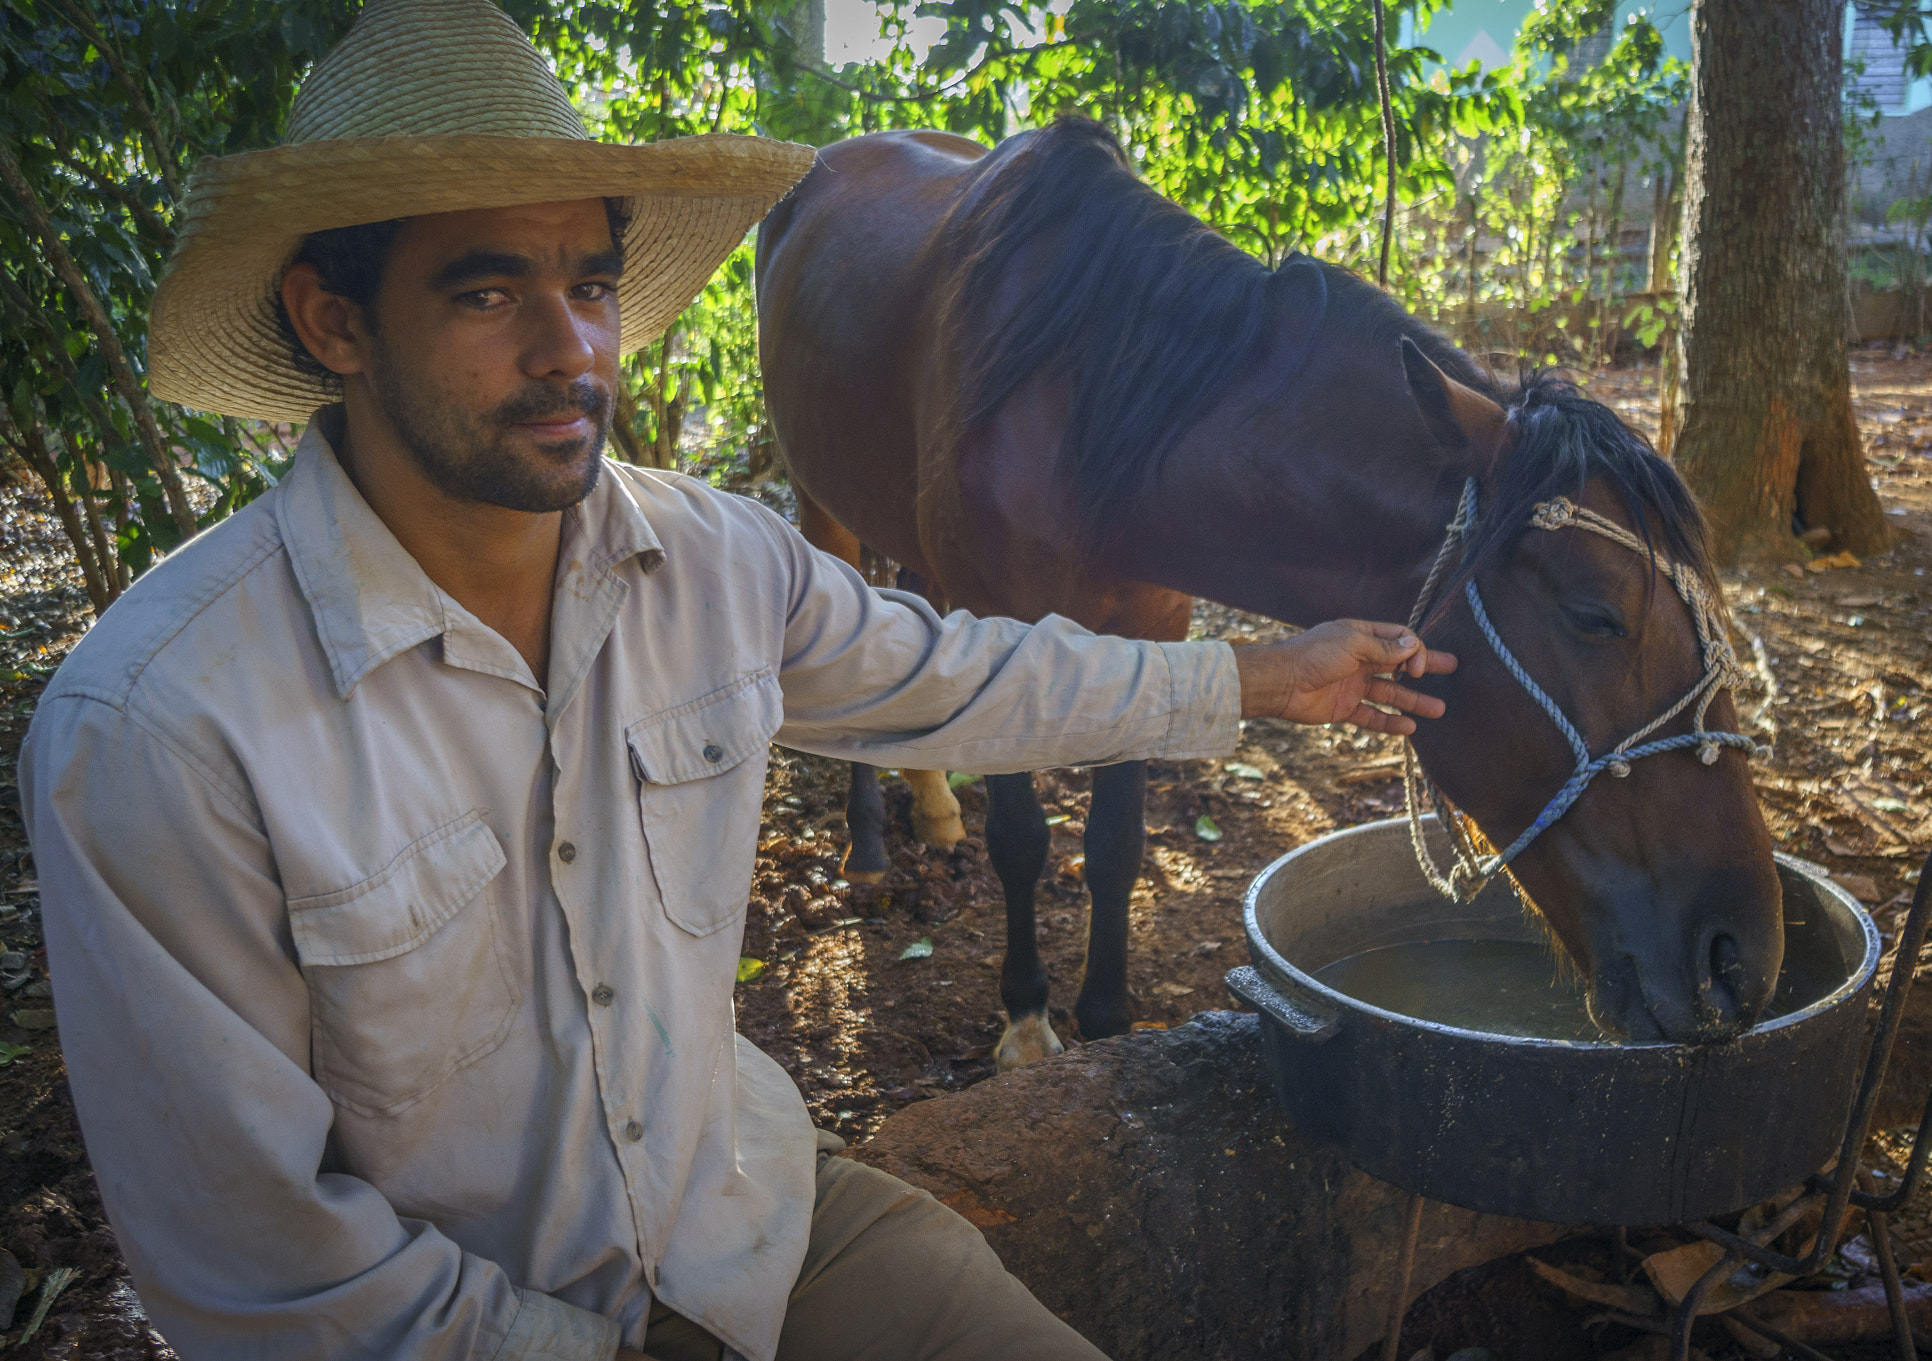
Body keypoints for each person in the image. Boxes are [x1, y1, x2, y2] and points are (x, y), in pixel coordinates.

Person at [18, 2, 1455, 1358]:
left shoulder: (708, 560)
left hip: (756, 1221)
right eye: (486, 289)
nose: (569, 347)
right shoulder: (160, 730)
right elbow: (268, 1277)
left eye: (588, 284)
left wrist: (1260, 675)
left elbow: (955, 676)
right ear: (333, 322)